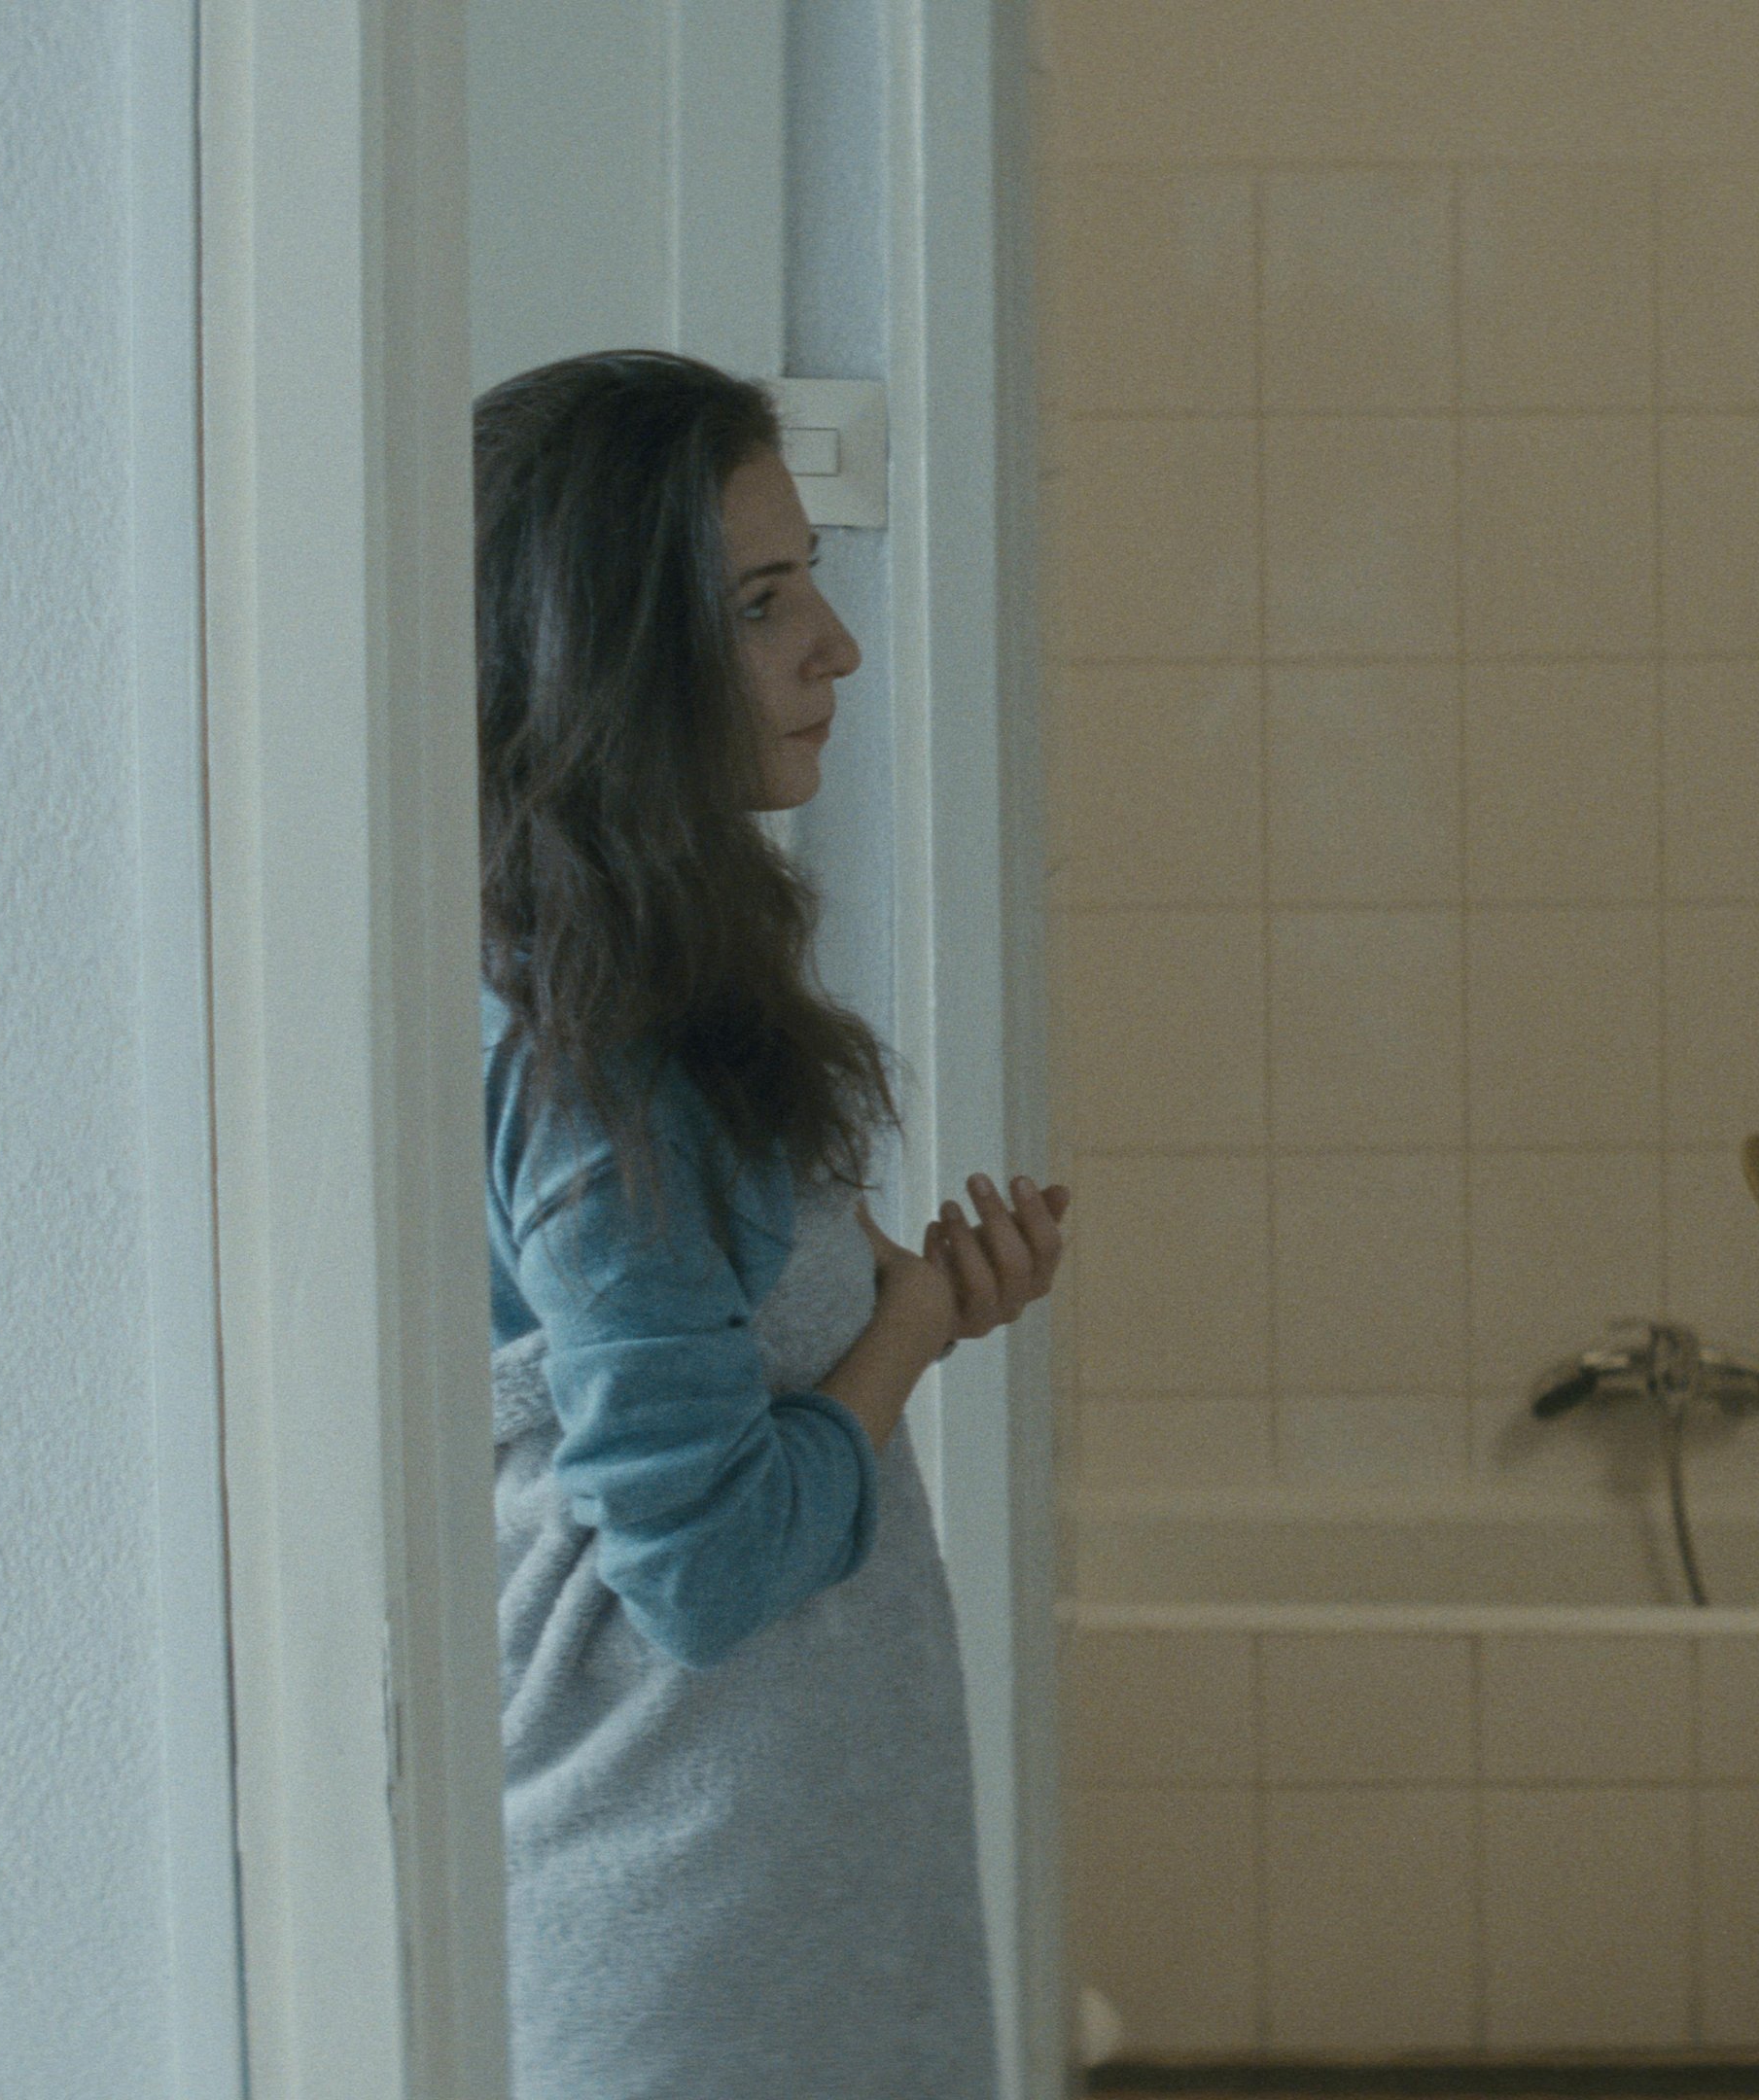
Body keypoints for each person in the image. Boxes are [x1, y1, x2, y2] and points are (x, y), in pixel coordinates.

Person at [476, 349, 1066, 2099]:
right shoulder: (600, 1062)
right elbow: (704, 1563)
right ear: (603, 653)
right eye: (761, 601)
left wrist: (897, 1296)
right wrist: (908, 1334)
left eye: (807, 579)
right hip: (689, 1925)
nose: (837, 646)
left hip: (750, 1892)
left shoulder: (639, 993)